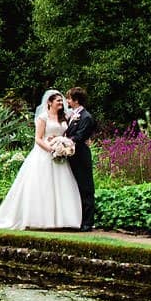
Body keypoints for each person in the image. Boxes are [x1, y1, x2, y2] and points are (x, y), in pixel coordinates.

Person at [0, 90, 83, 230]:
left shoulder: (64, 118)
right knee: (42, 187)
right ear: (49, 102)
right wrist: (51, 149)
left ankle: (61, 221)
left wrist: (63, 145)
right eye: (58, 100)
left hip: (60, 156)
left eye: (61, 101)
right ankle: (40, 220)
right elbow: (38, 139)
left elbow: (66, 133)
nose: (61, 103)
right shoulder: (43, 117)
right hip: (44, 154)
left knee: (61, 187)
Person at [63, 87, 97, 231]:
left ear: (76, 100)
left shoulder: (86, 117)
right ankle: (77, 219)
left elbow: (80, 136)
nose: (67, 101)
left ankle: (87, 222)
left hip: (81, 155)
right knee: (74, 188)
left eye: (69, 98)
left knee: (85, 188)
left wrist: (61, 140)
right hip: (71, 155)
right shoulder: (72, 115)